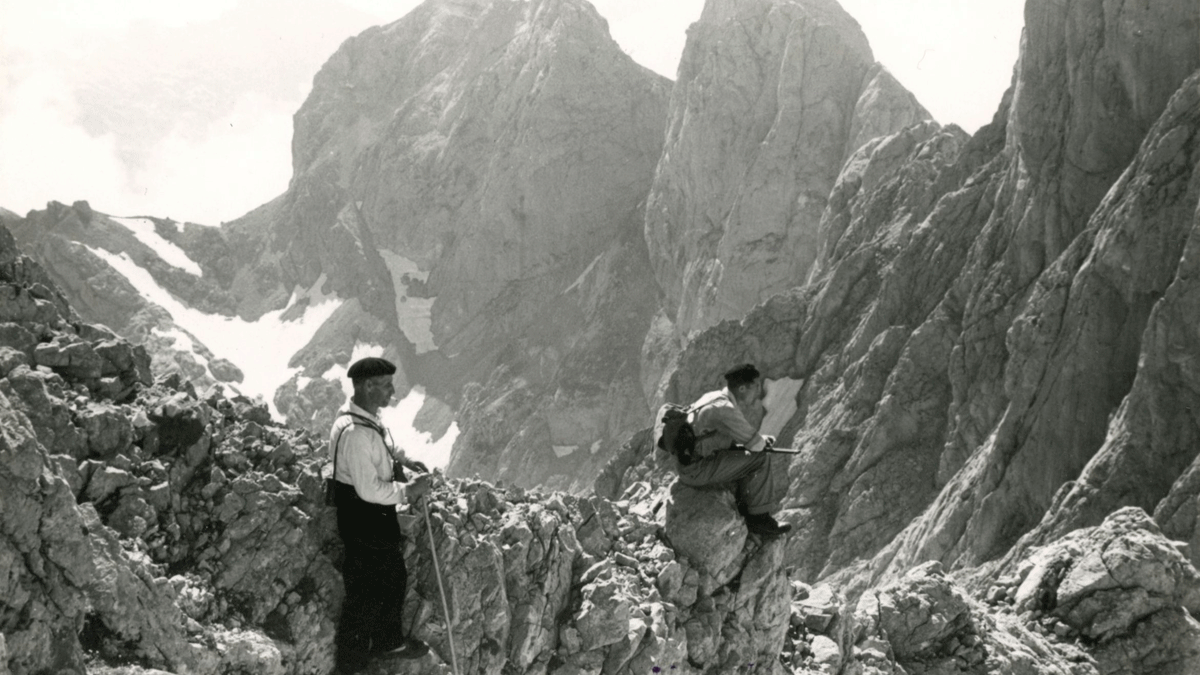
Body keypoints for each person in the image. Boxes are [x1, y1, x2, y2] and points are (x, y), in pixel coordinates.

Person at [330, 356, 432, 674]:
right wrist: (409, 491)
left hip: (370, 516)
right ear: (367, 386)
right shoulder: (355, 434)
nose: (393, 391)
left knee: (390, 577)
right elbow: (369, 489)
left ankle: (385, 642)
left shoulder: (364, 421)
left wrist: (403, 467)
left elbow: (380, 461)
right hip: (364, 517)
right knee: (365, 591)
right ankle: (352, 663)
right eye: (386, 385)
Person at [678, 363, 792, 538]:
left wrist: (758, 442)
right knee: (760, 458)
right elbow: (756, 446)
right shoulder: (725, 409)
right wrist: (763, 443)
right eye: (756, 386)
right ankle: (759, 519)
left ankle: (745, 506)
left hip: (689, 464)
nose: (759, 391)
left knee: (745, 455)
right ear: (742, 388)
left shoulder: (713, 397)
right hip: (697, 470)